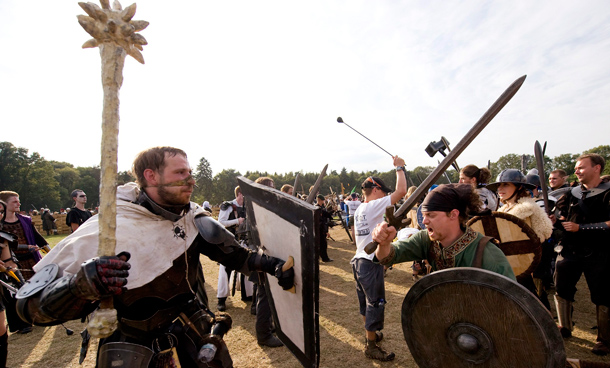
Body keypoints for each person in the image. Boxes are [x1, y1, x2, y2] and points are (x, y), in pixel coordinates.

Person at [15, 146, 294, 367]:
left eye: (190, 172)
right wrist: (79, 286)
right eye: (180, 173)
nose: (191, 180)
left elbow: (238, 257)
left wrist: (273, 265)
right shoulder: (109, 228)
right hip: (130, 343)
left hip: (192, 328)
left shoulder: (192, 218)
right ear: (151, 176)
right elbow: (29, 308)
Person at [373, 183, 515, 277]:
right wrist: (384, 244)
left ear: (453, 214)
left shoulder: (488, 254)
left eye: (431, 215)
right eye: (424, 215)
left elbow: (510, 305)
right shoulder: (425, 239)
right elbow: (387, 257)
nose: (424, 221)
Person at [552, 153, 610, 356]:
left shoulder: (608, 193)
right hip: (570, 250)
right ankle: (564, 326)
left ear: (597, 168)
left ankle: (604, 339)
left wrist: (581, 228)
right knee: (561, 288)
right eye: (576, 167)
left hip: (600, 252)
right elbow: (561, 216)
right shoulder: (570, 194)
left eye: (581, 167)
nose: (576, 170)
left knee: (603, 295)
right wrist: (555, 219)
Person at [351, 155, 407, 362]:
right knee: (375, 302)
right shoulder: (374, 206)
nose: (385, 197)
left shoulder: (360, 209)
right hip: (368, 262)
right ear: (375, 190)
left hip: (358, 261)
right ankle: (371, 346)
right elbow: (402, 192)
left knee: (366, 303)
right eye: (383, 192)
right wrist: (399, 167)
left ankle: (371, 336)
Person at [487, 169, 554, 309]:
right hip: (507, 264)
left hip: (523, 265)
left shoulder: (528, 209)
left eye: (505, 185)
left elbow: (542, 233)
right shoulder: (504, 210)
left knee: (532, 303)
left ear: (519, 187)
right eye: (499, 185)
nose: (500, 189)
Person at [0, 191, 47, 335]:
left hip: (26, 260)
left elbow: (38, 238)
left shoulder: (25, 220)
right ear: (5, 203)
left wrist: (50, 252)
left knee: (34, 288)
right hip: (12, 261)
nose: (18, 204)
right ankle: (19, 323)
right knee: (12, 294)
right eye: (14, 201)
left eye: (18, 201)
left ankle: (37, 316)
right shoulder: (1, 225)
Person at [215, 186, 252, 311]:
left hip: (245, 241)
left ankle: (247, 294)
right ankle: (221, 299)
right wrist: (237, 220)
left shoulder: (248, 207)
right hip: (230, 242)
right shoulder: (228, 206)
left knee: (248, 266)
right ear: (240, 194)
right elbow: (220, 222)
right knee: (225, 270)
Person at [315, 194, 334, 262]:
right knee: (322, 245)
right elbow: (321, 221)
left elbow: (327, 214)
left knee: (323, 244)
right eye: (323, 200)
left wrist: (333, 210)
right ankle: (324, 258)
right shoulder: (317, 209)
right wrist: (325, 231)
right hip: (320, 229)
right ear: (319, 200)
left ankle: (324, 257)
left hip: (322, 228)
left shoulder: (321, 208)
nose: (324, 201)